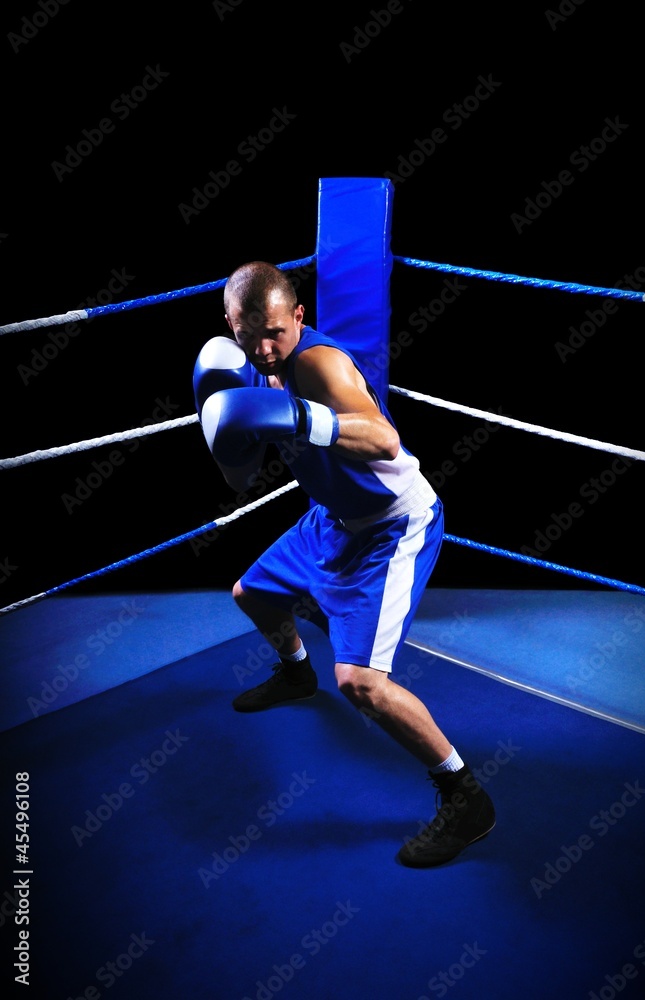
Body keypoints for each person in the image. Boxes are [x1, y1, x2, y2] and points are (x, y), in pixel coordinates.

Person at [193, 260, 496, 868]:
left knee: (361, 683)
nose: (264, 348)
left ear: (298, 317)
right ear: (230, 324)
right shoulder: (246, 366)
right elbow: (240, 474)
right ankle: (296, 671)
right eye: (249, 335)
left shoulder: (317, 364)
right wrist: (224, 430)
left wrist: (302, 417)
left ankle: (465, 798)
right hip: (331, 518)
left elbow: (383, 440)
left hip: (392, 525)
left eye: (276, 332)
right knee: (250, 594)